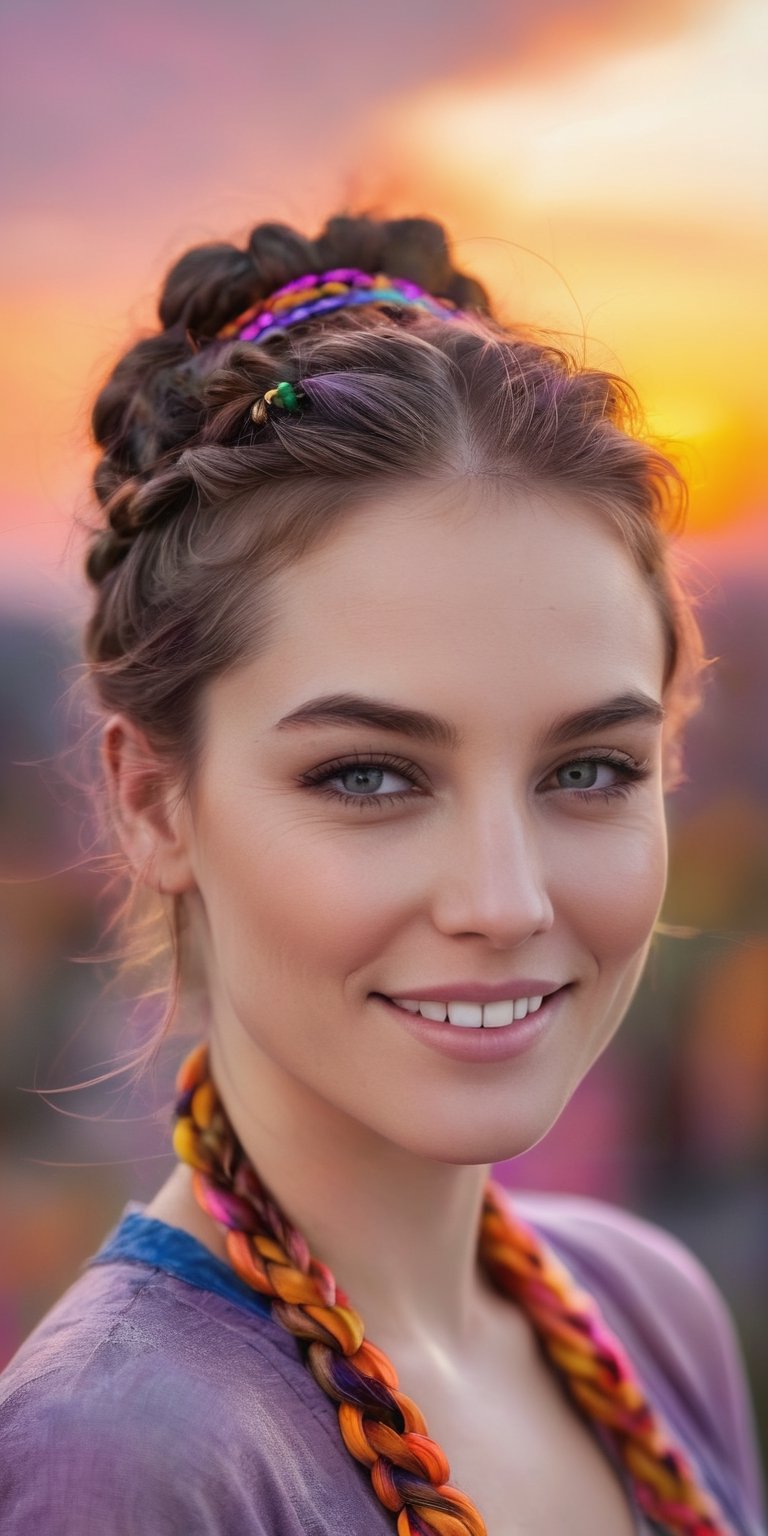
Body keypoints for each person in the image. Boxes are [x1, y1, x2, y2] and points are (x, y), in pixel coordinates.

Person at [0, 213, 764, 1536]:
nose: (506, 899)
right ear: (152, 801)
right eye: (369, 775)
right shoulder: (123, 1462)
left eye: (589, 770)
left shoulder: (649, 1314)